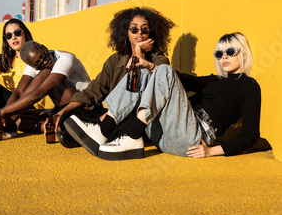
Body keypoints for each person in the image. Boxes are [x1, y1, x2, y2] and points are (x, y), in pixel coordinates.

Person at [63, 31, 261, 160]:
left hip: (193, 139)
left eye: (230, 51)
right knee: (144, 72)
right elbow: (179, 79)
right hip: (164, 135)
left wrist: (211, 151)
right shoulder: (214, 80)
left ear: (243, 54)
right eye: (219, 53)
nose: (224, 56)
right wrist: (147, 65)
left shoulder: (249, 86)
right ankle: (104, 130)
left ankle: (131, 137)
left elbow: (250, 135)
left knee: (164, 70)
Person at [49, 7, 175, 156]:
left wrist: (139, 50)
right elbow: (93, 91)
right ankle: (94, 131)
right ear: (125, 33)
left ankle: (95, 132)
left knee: (126, 117)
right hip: (113, 115)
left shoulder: (158, 59)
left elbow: (161, 77)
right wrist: (61, 112)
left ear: (151, 34)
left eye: (145, 29)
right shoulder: (115, 60)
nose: (139, 33)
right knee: (74, 112)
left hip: (142, 120)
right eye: (134, 29)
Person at [0, 40, 91, 144]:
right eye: (38, 64)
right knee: (20, 119)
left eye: (44, 56)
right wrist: (5, 116)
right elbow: (19, 92)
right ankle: (47, 127)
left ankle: (8, 124)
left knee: (46, 72)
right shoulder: (32, 63)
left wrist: (1, 112)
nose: (45, 61)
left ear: (44, 47)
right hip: (61, 108)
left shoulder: (65, 59)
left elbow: (39, 93)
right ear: (32, 65)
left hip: (84, 107)